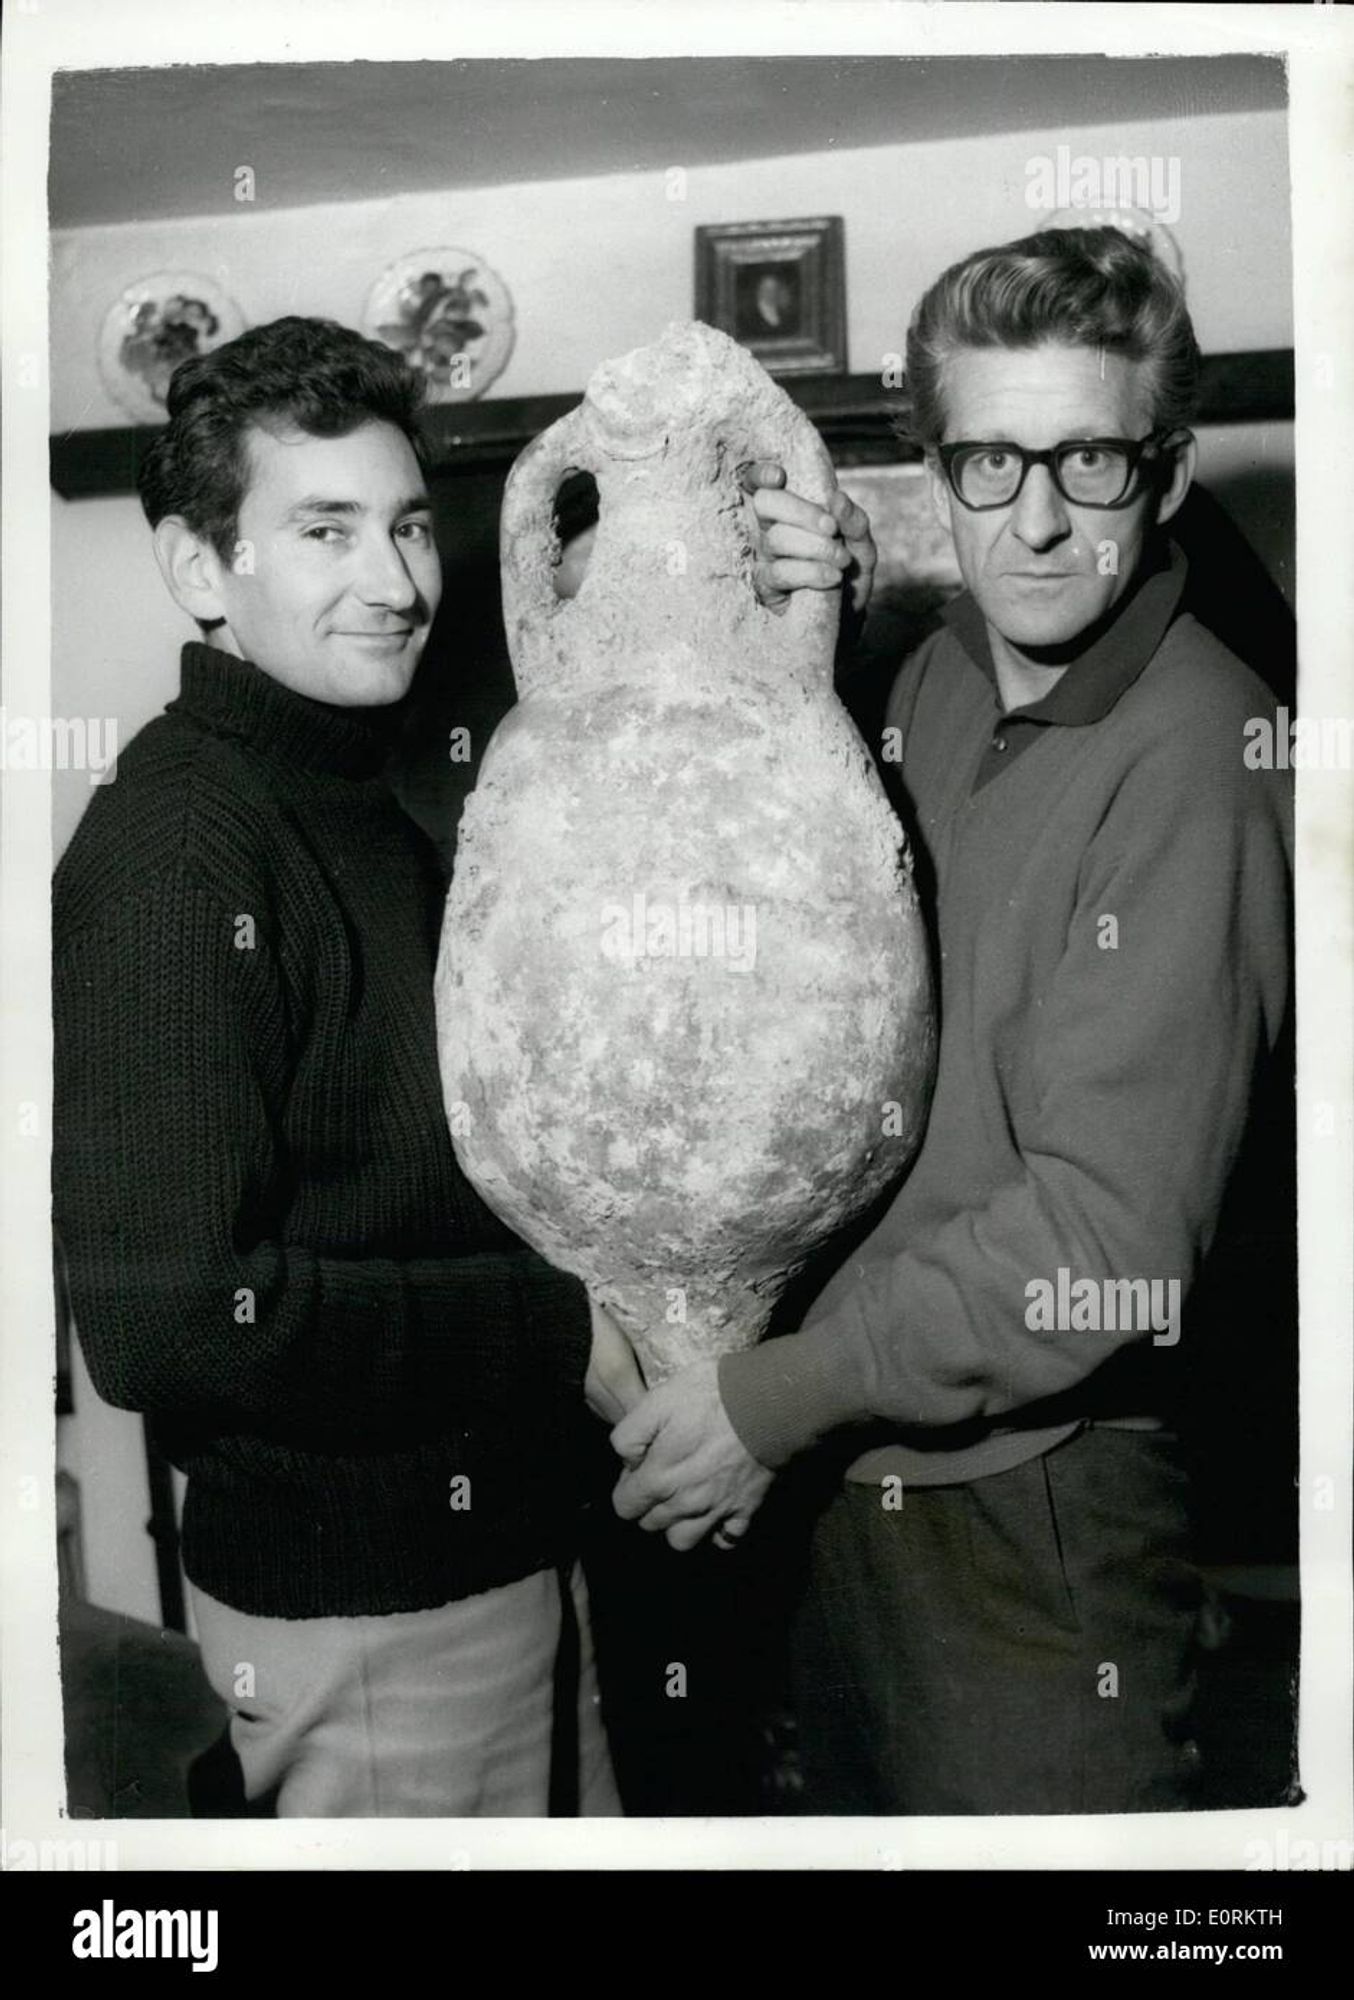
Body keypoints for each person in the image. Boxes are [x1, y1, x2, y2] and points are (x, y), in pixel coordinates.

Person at [51, 314, 869, 1818]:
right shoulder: (178, 852)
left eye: (412, 524)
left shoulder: (366, 787)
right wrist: (547, 1332)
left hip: (496, 1555)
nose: (399, 582)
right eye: (324, 531)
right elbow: (163, 1319)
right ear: (195, 569)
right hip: (361, 1613)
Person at [608, 227, 1294, 1814]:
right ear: (936, 468)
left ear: (1169, 474)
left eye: (1090, 463)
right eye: (988, 460)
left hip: (1035, 1513)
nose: (1037, 522)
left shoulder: (1203, 753)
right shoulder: (935, 679)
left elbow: (1105, 1236)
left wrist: (760, 1402)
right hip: (861, 1462)